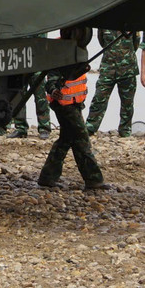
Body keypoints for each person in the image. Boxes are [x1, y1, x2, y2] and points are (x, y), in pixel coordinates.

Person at [36, 29, 105, 190]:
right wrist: (53, 90)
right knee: (82, 139)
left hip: (74, 103)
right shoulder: (59, 49)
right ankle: (94, 180)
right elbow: (51, 76)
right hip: (64, 105)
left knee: (65, 140)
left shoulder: (77, 48)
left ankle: (47, 177)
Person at [87, 29, 138, 136]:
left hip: (127, 68)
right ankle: (90, 127)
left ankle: (125, 130)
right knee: (99, 98)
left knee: (127, 102)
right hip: (108, 67)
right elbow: (102, 42)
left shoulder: (132, 23)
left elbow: (136, 43)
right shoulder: (105, 25)